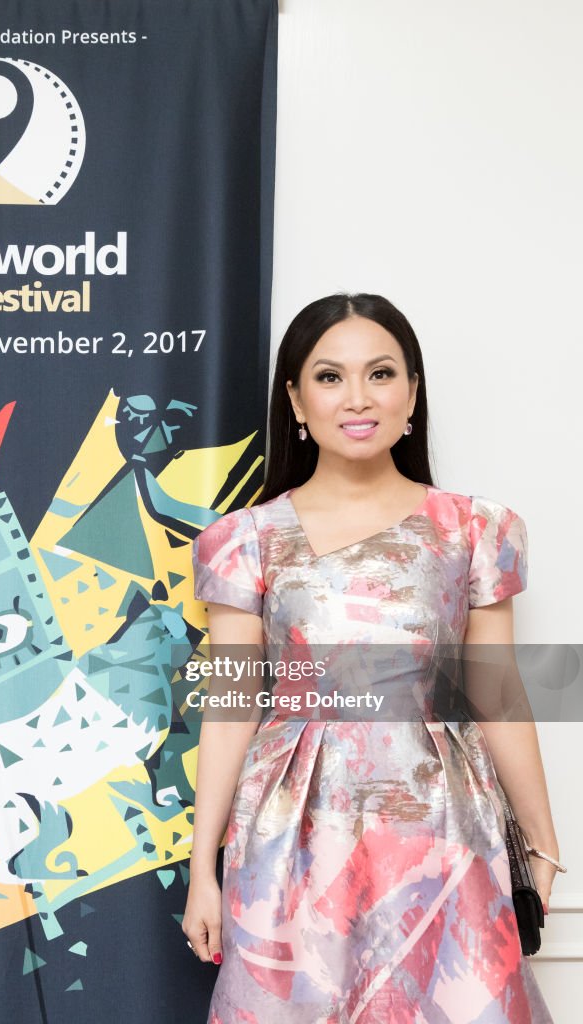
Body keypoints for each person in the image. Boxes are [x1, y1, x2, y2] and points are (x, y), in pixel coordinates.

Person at [182, 293, 562, 1023]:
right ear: (294, 399)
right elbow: (231, 706)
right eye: (329, 377)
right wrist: (204, 869)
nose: (357, 398)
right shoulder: (245, 540)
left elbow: (497, 690)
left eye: (380, 373)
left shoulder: (475, 529)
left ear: (413, 392)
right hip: (291, 838)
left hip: (443, 836)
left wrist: (542, 845)